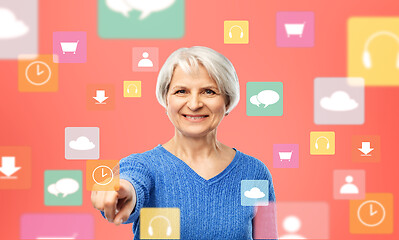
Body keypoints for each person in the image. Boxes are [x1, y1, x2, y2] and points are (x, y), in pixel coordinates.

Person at [91, 46, 277, 239]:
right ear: (166, 100)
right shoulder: (143, 166)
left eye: (209, 92)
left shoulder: (254, 172)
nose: (194, 104)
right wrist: (124, 192)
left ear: (227, 101)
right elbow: (131, 182)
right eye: (181, 91)